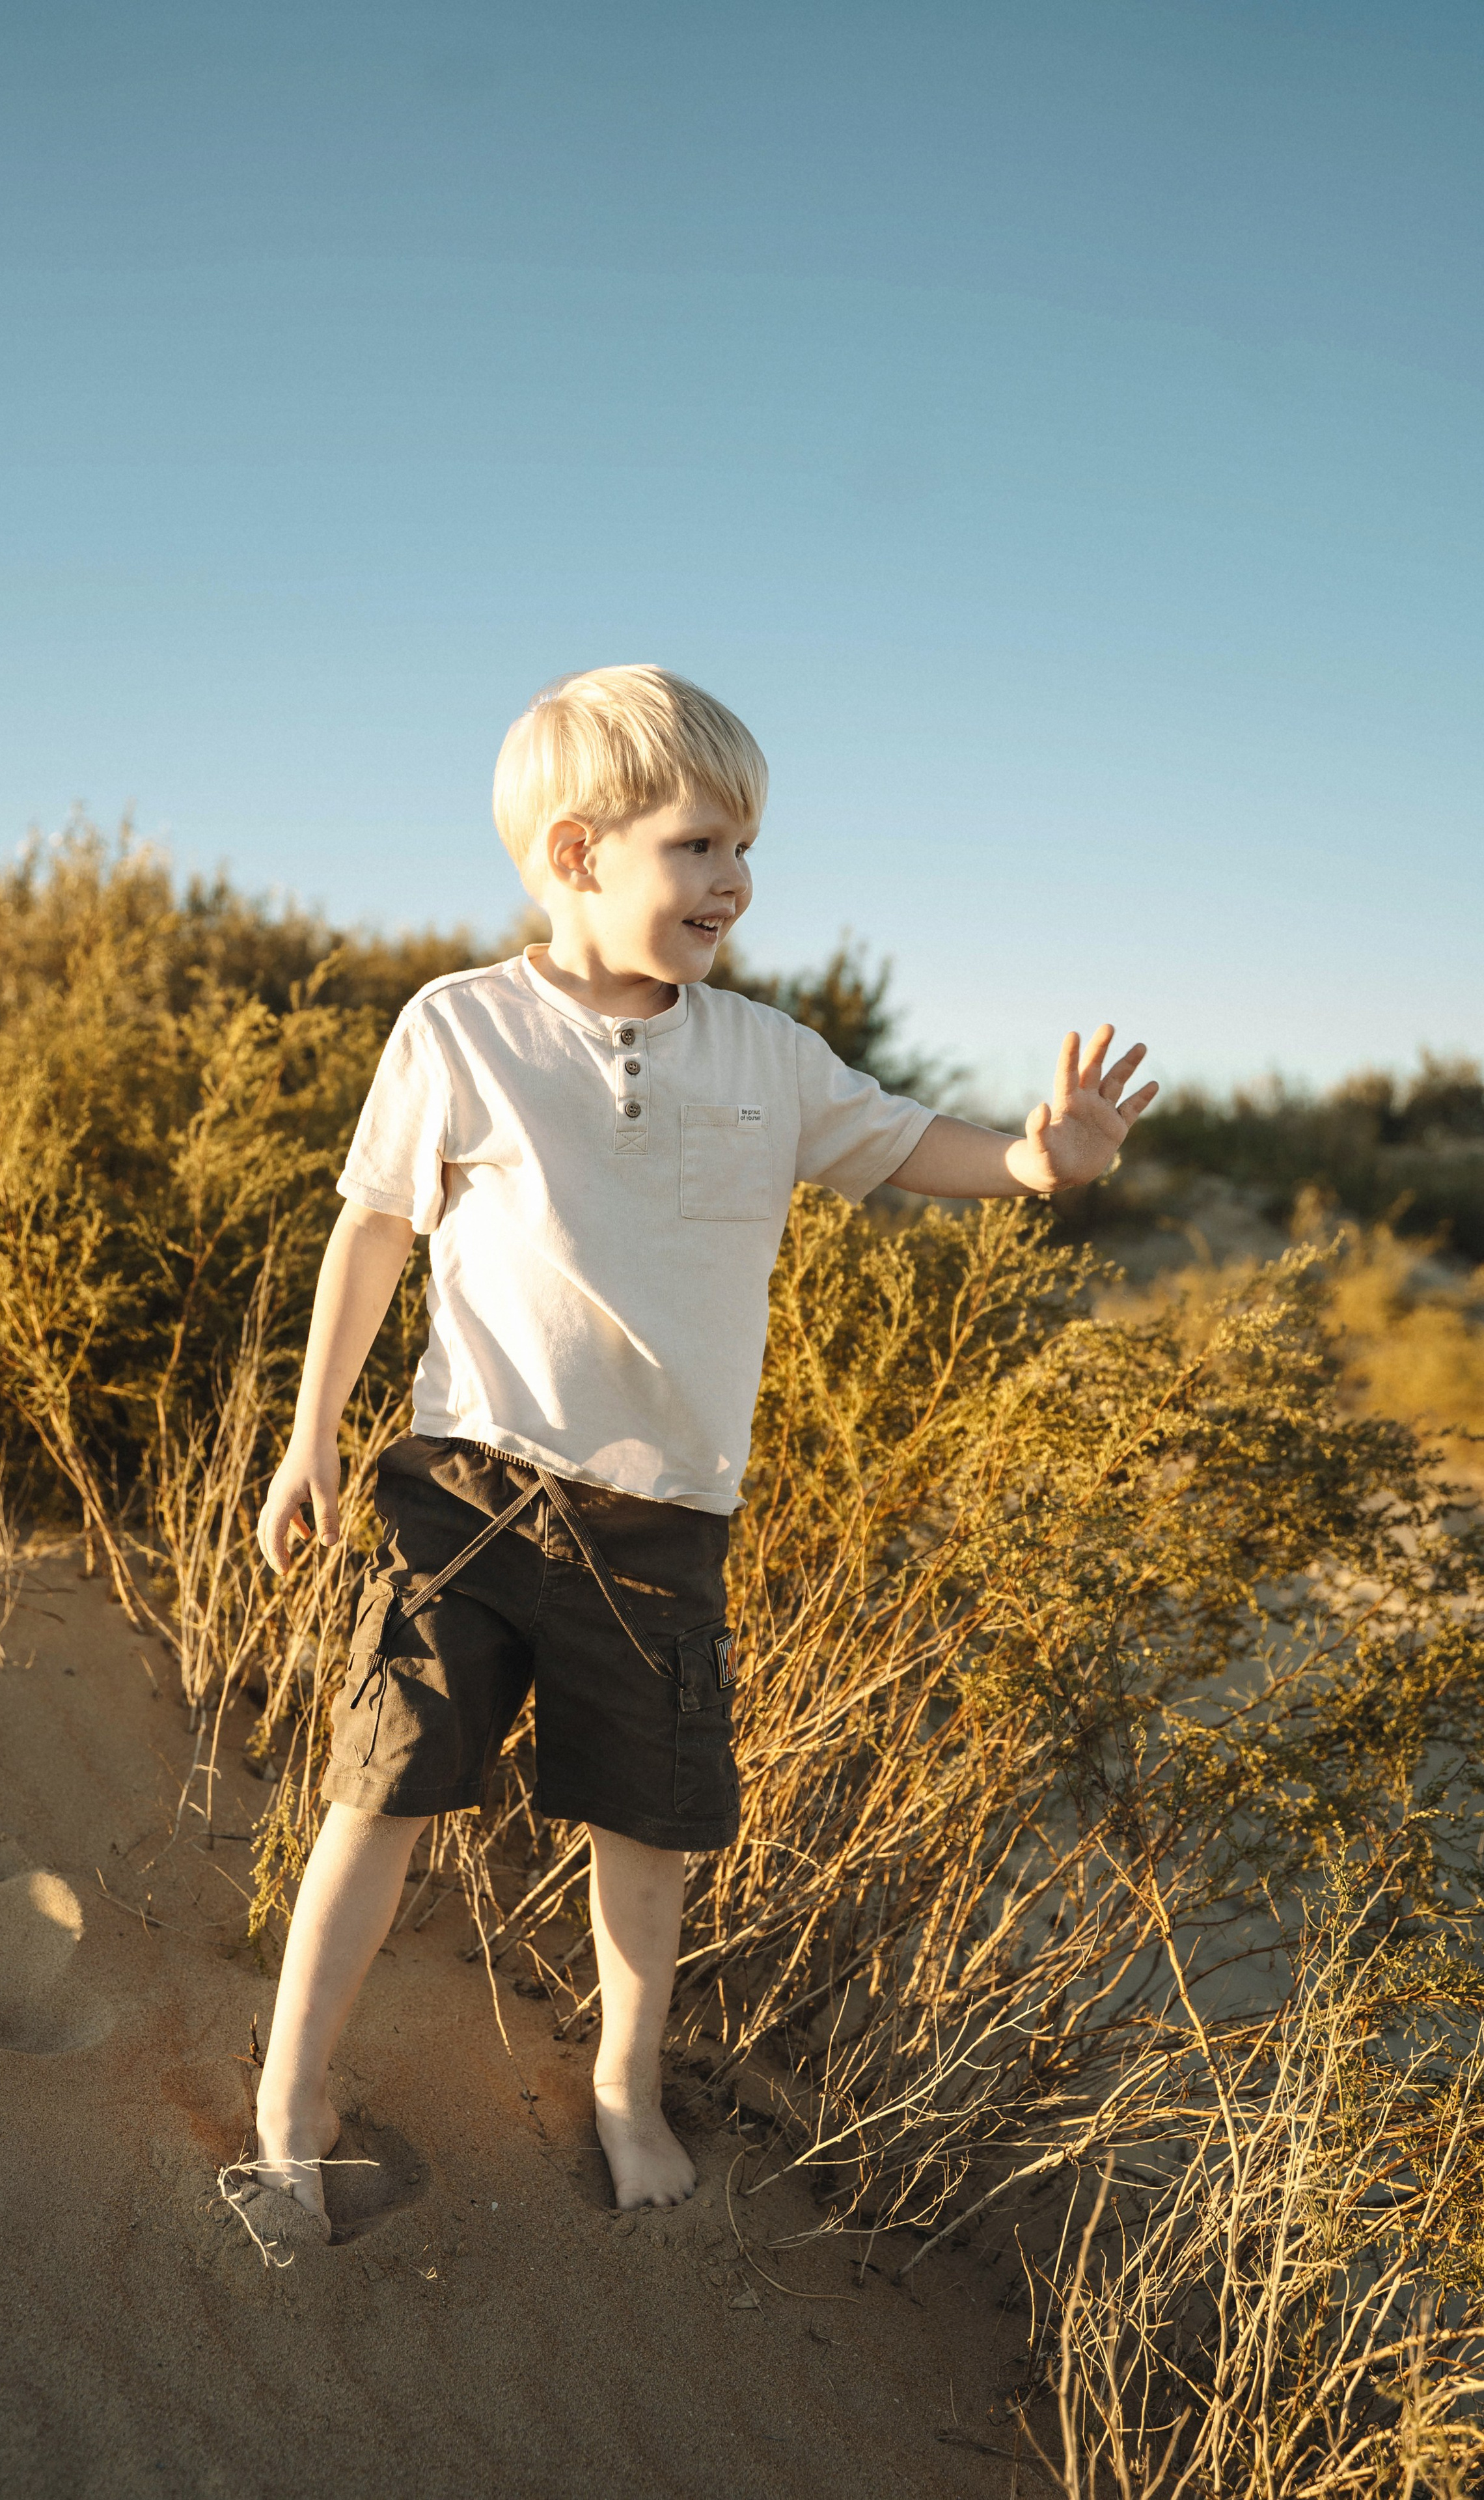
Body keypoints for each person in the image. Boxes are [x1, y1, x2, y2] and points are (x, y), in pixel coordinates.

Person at [249, 664, 1157, 2237]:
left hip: (663, 1520)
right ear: (577, 851)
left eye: (746, 849)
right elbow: (376, 1224)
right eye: (699, 844)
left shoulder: (766, 1056)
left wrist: (1032, 1161)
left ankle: (622, 2083)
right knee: (379, 1791)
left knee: (649, 1834)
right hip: (465, 1494)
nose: (734, 879)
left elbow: (902, 1142)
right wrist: (313, 1431)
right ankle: (288, 2090)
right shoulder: (458, 1027)